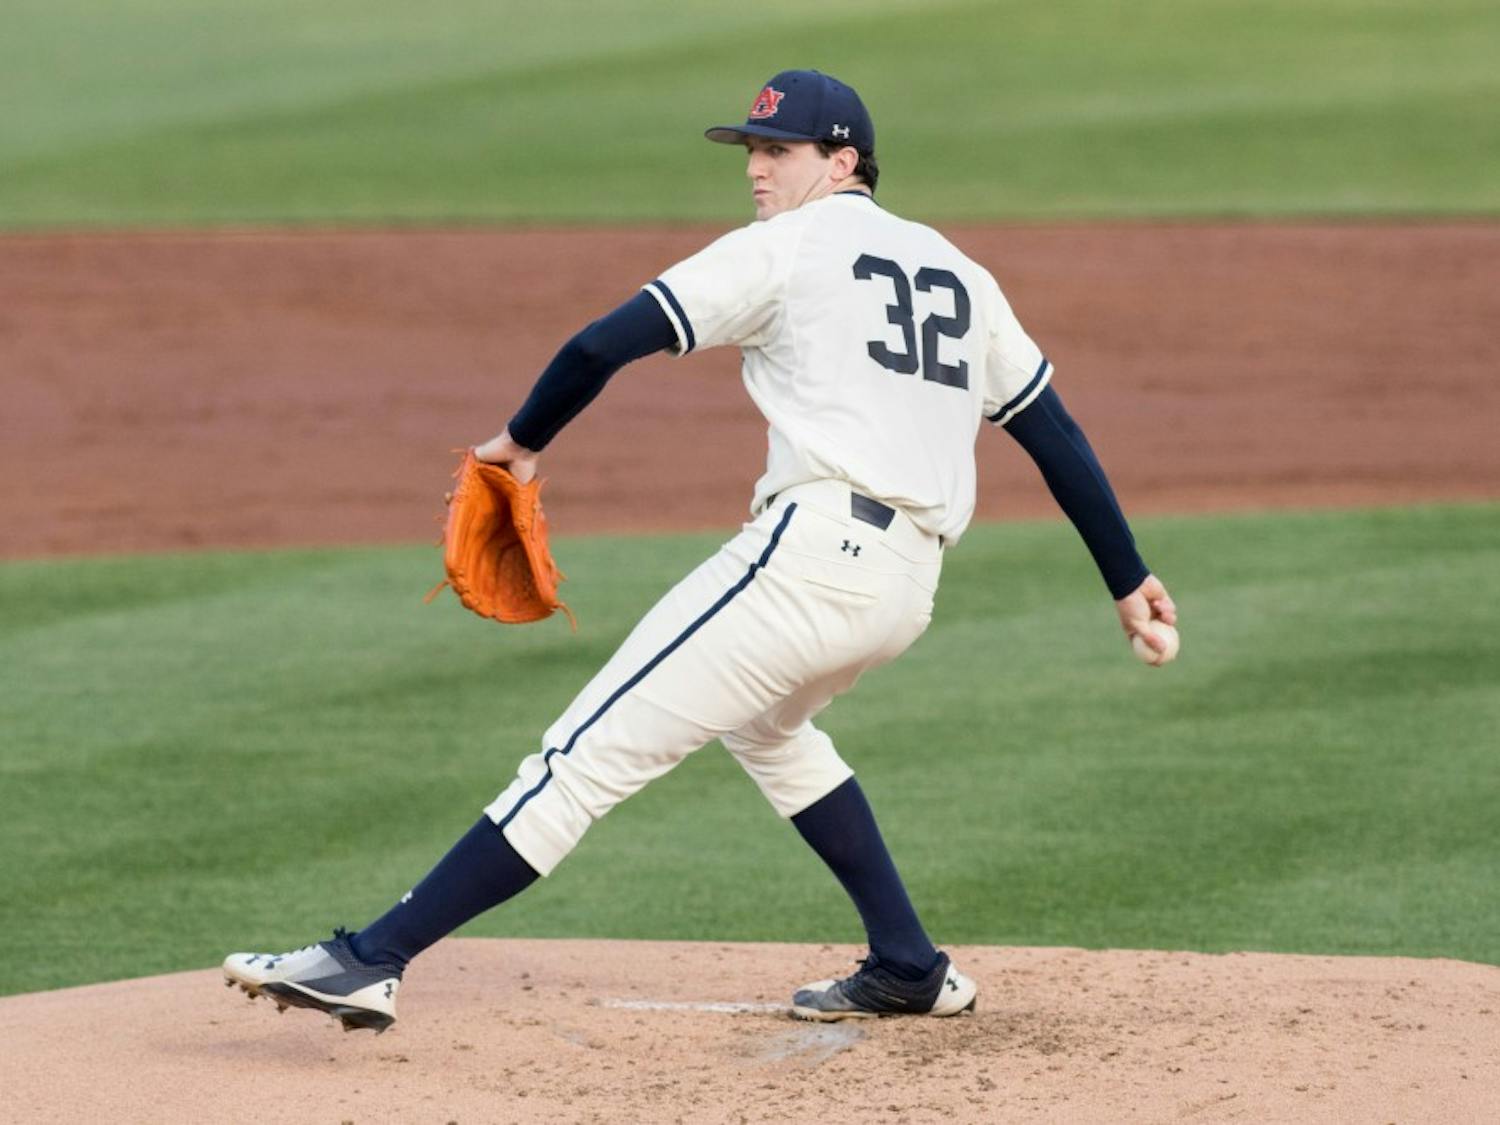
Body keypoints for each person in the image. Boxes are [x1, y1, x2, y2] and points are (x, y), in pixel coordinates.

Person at [224, 69, 1177, 1031]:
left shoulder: (787, 249)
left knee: (580, 757)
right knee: (768, 730)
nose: (757, 170)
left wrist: (518, 442)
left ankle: (370, 959)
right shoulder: (959, 272)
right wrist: (1126, 576)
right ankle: (907, 965)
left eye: (779, 151)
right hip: (905, 587)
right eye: (752, 150)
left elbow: (602, 344)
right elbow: (1051, 430)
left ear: (842, 161)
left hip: (810, 562)